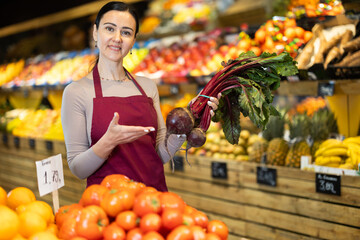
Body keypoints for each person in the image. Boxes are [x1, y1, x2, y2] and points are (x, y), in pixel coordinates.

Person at [61, 1, 220, 192]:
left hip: (152, 203)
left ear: (133, 41)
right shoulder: (77, 92)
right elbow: (78, 169)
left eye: (126, 32)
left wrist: (186, 121)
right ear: (95, 33)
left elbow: (160, 155)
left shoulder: (147, 86)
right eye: (109, 29)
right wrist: (108, 142)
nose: (117, 38)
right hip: (109, 206)